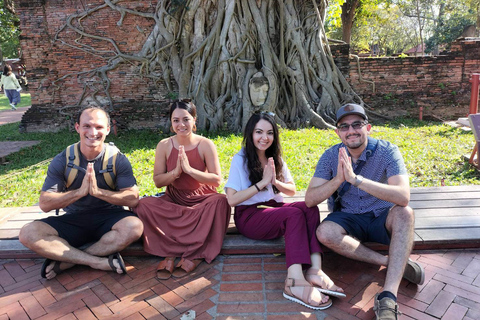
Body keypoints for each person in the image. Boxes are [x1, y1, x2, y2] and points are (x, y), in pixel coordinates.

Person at [305, 103, 425, 320]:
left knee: (405, 213)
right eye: (344, 127)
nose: (351, 131)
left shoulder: (388, 151)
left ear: (368, 127)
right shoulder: (331, 156)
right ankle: (390, 262)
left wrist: (356, 180)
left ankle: (388, 297)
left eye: (357, 124)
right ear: (337, 132)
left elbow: (402, 197)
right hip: (348, 215)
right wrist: (338, 179)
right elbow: (310, 199)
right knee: (324, 232)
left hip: (381, 215)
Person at [225, 112, 345, 311]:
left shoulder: (275, 157)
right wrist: (261, 183)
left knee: (310, 208)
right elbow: (232, 199)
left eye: (269, 133)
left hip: (273, 209)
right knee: (294, 214)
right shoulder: (241, 159)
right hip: (249, 216)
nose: (265, 137)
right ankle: (294, 282)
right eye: (259, 132)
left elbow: (292, 189)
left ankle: (315, 270)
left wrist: (274, 182)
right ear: (250, 133)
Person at [19, 107, 143, 279]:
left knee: (134, 227)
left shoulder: (117, 159)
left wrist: (98, 192)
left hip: (109, 217)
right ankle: (97, 261)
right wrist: (79, 193)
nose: (93, 132)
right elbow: (45, 204)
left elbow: (132, 198)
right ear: (77, 127)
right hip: (73, 218)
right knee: (28, 233)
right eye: (87, 126)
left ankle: (69, 261)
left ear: (108, 129)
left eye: (99, 127)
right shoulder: (63, 160)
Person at [133, 99, 231, 279]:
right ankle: (172, 251)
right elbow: (158, 182)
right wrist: (176, 173)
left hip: (201, 201)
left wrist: (190, 171)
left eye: (186, 119)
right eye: (176, 120)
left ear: (194, 120)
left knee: (221, 201)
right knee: (142, 204)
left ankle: (193, 253)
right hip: (173, 200)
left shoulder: (205, 144)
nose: (181, 125)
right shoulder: (164, 145)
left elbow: (216, 181)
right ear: (171, 123)